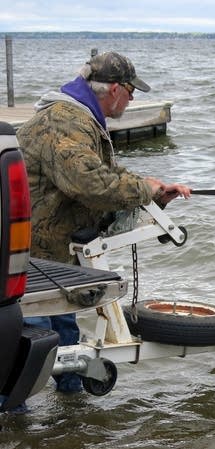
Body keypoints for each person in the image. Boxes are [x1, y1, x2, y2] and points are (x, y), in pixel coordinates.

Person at [16, 51, 191, 395]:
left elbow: (104, 174)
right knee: (28, 346)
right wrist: (143, 189)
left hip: (51, 256)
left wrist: (154, 192)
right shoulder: (64, 122)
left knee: (63, 330)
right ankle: (14, 417)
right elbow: (91, 185)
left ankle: (72, 399)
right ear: (115, 89)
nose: (133, 98)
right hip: (27, 258)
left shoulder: (79, 118)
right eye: (131, 91)